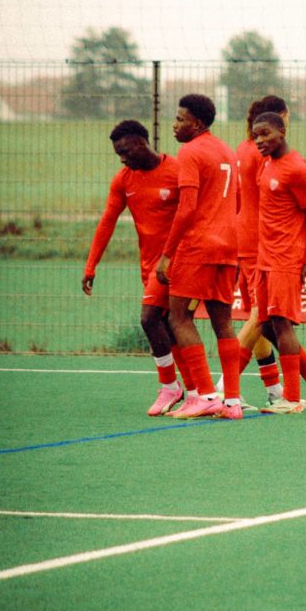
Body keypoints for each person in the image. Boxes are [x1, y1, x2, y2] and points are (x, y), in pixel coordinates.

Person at [82, 119, 195, 417]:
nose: (122, 158)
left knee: (149, 318)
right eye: (117, 153)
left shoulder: (176, 171)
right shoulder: (123, 180)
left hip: (178, 262)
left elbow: (195, 213)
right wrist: (91, 265)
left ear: (142, 143)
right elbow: (107, 221)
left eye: (125, 151)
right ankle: (194, 392)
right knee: (169, 325)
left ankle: (170, 387)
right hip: (150, 267)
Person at [156, 94, 242, 420]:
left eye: (180, 119)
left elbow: (187, 208)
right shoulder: (227, 151)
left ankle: (205, 395)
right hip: (228, 247)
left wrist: (168, 254)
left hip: (198, 247)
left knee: (179, 318)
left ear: (197, 123)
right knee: (223, 323)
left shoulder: (190, 152)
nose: (174, 125)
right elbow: (237, 202)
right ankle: (232, 402)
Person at [251, 111, 306, 414]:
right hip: (265, 257)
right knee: (266, 325)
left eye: (265, 134)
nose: (259, 140)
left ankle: (291, 398)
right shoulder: (267, 164)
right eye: (255, 135)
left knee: (282, 324)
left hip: (286, 258)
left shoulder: (297, 169)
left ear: (282, 132)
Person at [215, 94, 288, 409]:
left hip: (242, 238)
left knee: (255, 316)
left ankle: (274, 390)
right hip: (261, 241)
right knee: (261, 315)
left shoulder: (242, 148)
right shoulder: (263, 154)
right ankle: (223, 387)